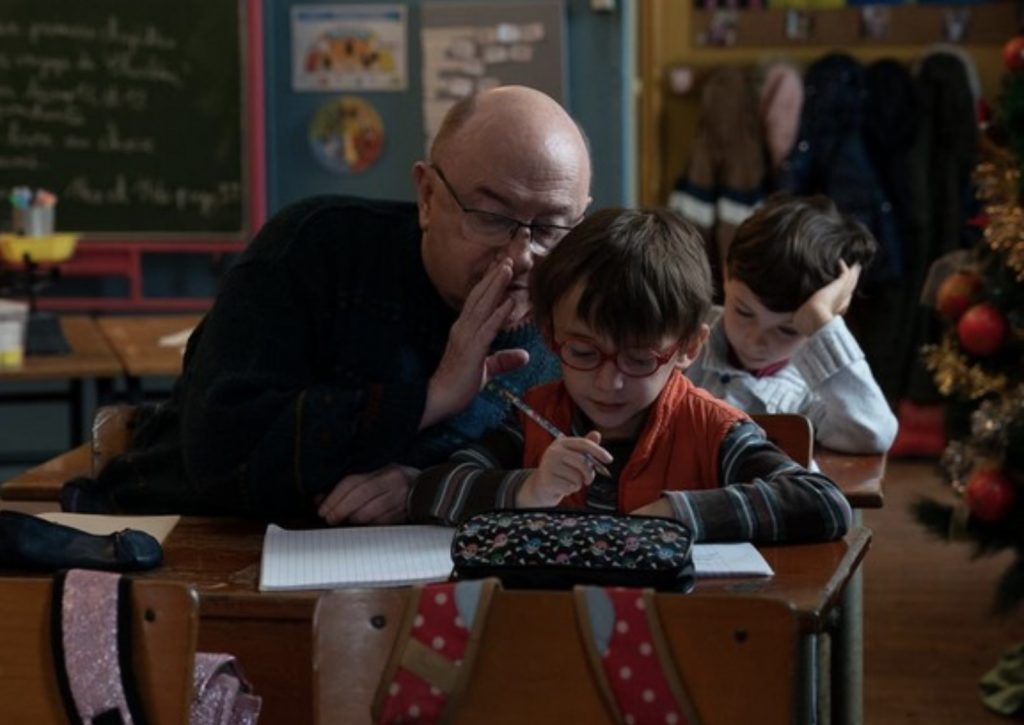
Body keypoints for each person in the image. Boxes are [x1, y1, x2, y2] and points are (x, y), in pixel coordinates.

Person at [65, 86, 592, 522]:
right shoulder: (315, 247)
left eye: (551, 227)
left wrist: (426, 488)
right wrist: (430, 398)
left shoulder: (577, 311)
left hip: (411, 575)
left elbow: (576, 467)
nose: (522, 256)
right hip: (188, 534)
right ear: (428, 197)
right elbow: (222, 451)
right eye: (492, 218)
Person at [408, 208, 852, 543]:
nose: (609, 383)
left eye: (639, 360)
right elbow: (432, 490)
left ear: (688, 347)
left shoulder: (711, 430)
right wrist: (531, 488)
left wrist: (677, 515)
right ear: (550, 335)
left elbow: (824, 502)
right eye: (583, 352)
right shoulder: (536, 418)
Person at [686, 194, 898, 454]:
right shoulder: (682, 333)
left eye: (787, 329)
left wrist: (820, 318)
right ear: (726, 273)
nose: (755, 340)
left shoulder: (816, 395)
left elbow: (873, 434)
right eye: (744, 312)